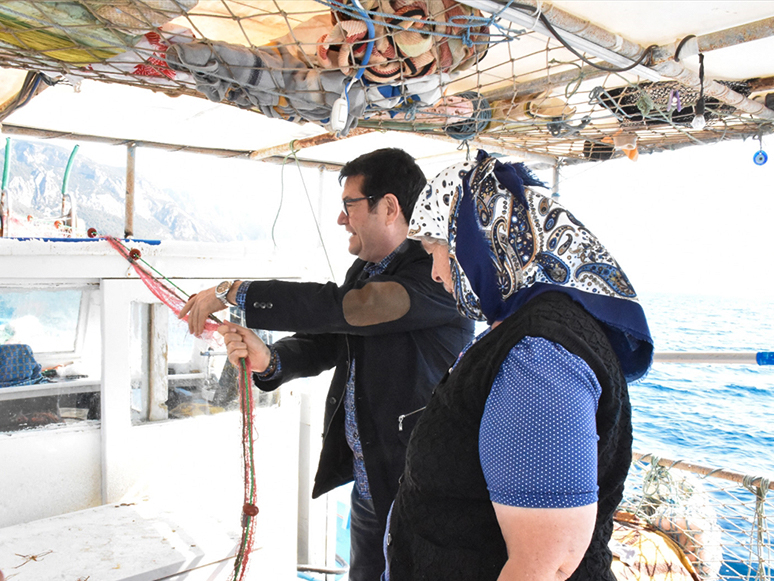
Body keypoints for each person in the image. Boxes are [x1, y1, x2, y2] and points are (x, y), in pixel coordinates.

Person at [180, 148, 474, 581]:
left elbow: (350, 310)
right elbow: (331, 339)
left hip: (418, 490)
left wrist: (234, 292)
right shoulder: (366, 271)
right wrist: (271, 359)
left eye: (348, 206)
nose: (341, 219)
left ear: (388, 207)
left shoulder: (432, 275)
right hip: (371, 480)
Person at [382, 150, 654, 581]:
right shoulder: (521, 329)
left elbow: (547, 563)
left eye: (437, 249)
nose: (435, 272)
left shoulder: (541, 355)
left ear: (479, 237)